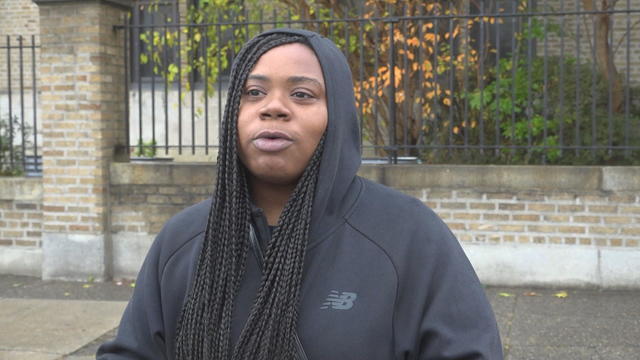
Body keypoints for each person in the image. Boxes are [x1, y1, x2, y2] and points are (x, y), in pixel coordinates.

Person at [97, 28, 503, 360]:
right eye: (253, 93)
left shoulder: (409, 236)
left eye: (302, 94)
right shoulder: (183, 240)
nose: (273, 107)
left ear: (337, 116)